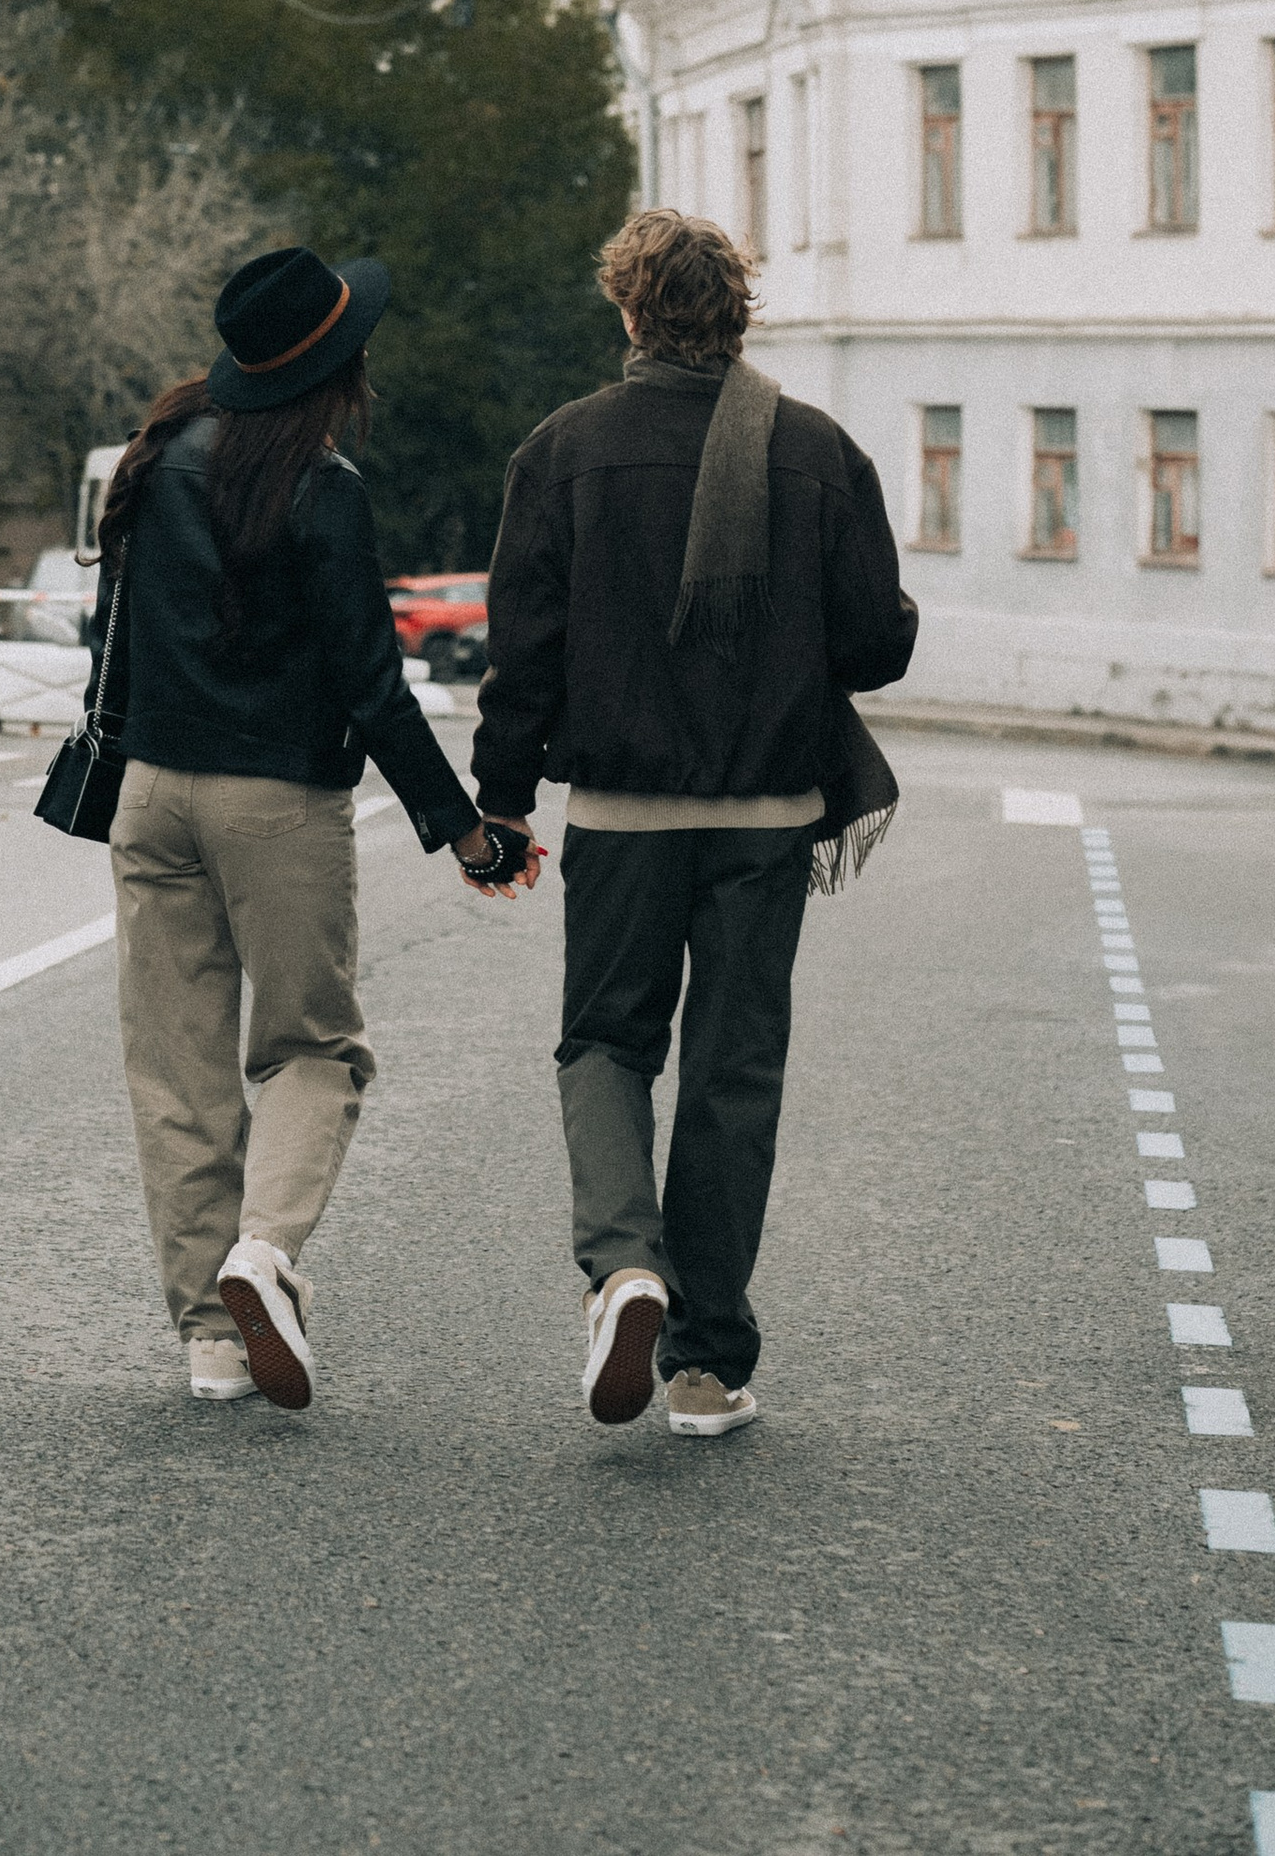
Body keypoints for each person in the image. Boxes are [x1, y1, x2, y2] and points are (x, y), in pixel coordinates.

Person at [472, 207, 917, 1438]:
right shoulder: (816, 452)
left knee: (606, 1044)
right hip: (768, 815)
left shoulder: (561, 452)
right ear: (738, 315)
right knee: (732, 1071)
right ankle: (706, 1363)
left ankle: (623, 1265)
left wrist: (499, 804)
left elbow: (525, 655)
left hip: (619, 815)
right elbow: (875, 644)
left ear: (626, 312)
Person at [91, 246, 541, 1413]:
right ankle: (265, 1251)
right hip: (275, 805)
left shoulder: (154, 461)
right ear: (337, 370)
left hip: (150, 795)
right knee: (312, 1049)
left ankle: (209, 1343)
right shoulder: (323, 487)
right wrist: (468, 832)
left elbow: (114, 648)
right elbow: (370, 683)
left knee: (177, 1073)